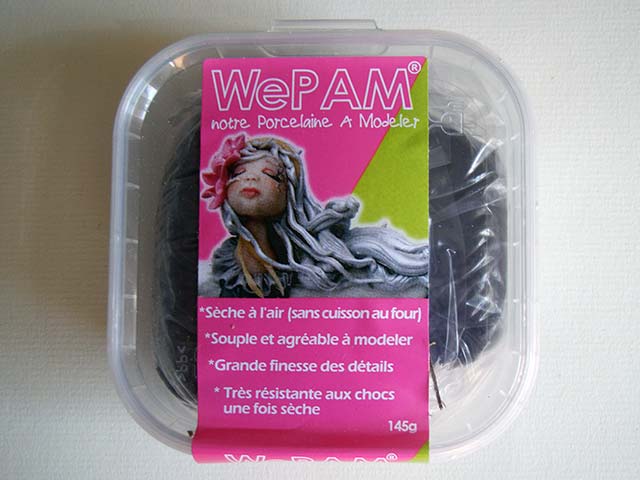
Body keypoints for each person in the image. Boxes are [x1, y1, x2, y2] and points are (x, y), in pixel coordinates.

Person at [199, 134, 429, 299]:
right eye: (238, 173)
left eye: (271, 175)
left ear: (291, 196)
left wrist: (334, 216)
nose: (250, 178)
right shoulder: (223, 266)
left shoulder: (299, 264)